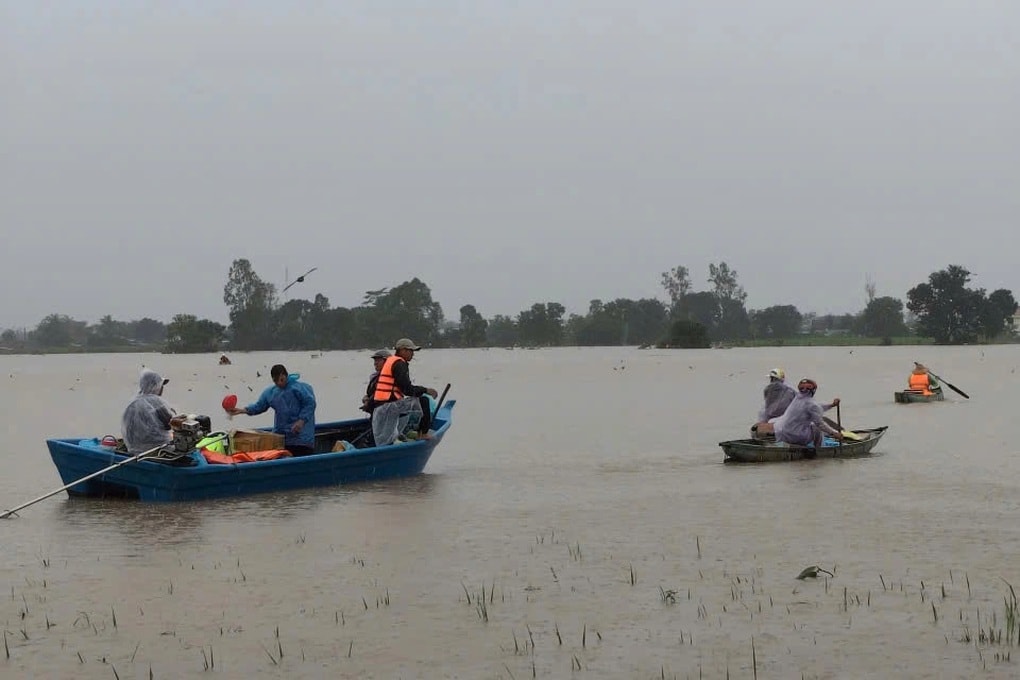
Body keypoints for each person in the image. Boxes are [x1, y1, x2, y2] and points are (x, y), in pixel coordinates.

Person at [227, 364, 317, 456]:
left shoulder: (300, 388)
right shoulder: (271, 392)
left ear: (285, 376)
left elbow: (310, 404)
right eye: (275, 381)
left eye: (281, 380)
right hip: (282, 438)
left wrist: (301, 421)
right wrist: (242, 410)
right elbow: (260, 406)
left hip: (302, 439)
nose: (279, 383)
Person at [369, 338, 438, 446]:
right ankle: (423, 434)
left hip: (383, 407)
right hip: (388, 407)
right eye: (411, 351)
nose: (412, 354)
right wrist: (426, 390)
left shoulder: (392, 361)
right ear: (403, 350)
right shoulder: (399, 363)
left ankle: (405, 433)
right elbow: (408, 390)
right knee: (423, 401)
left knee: (413, 403)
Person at [121, 368, 186, 454]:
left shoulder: (132, 403)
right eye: (161, 385)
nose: (162, 389)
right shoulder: (156, 402)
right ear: (155, 386)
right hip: (157, 448)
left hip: (133, 449)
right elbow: (169, 425)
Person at [773, 378, 843, 448]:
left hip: (781, 434)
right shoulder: (811, 404)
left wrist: (831, 405)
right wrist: (835, 433)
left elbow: (817, 407)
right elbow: (820, 424)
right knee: (816, 427)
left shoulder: (797, 398)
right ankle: (818, 449)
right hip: (794, 436)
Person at [361, 349, 391, 414]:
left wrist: (368, 403)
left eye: (378, 360)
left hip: (386, 414)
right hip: (376, 414)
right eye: (375, 360)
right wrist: (366, 398)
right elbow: (371, 394)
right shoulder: (375, 377)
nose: (375, 363)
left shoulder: (391, 378)